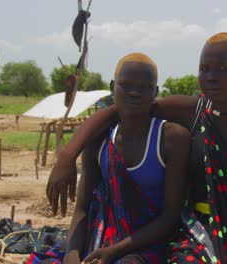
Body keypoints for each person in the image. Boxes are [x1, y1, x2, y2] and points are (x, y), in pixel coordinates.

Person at [47, 33, 227, 263]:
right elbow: (123, 108)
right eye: (204, 69)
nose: (211, 76)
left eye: (223, 68)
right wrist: (67, 157)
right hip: (201, 230)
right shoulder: (195, 111)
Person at [62, 53, 189, 264]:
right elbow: (83, 208)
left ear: (155, 92)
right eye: (125, 84)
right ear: (113, 87)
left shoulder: (171, 138)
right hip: (104, 236)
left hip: (155, 241)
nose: (134, 92)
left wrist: (115, 251)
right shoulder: (99, 139)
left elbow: (171, 216)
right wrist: (71, 254)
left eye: (145, 87)